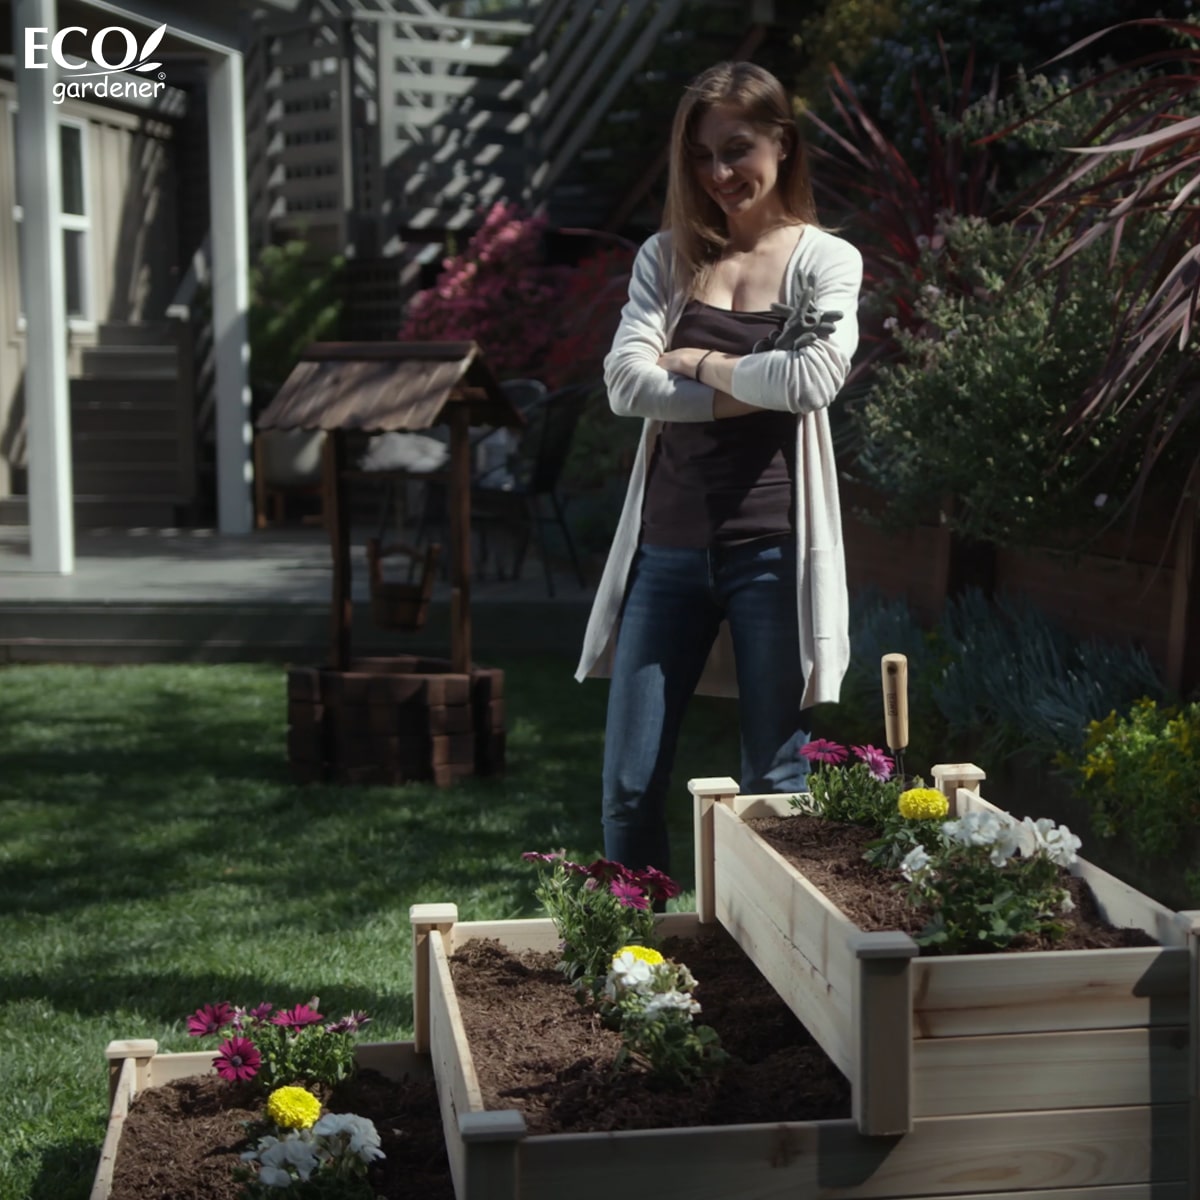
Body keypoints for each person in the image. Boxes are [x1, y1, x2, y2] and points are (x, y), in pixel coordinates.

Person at [573, 61, 863, 875]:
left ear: (783, 142)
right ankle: (639, 972)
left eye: (737, 149)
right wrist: (747, 383)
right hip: (665, 553)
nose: (720, 173)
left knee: (775, 781)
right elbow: (627, 384)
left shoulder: (825, 262)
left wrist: (695, 360)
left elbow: (810, 379)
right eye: (702, 156)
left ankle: (781, 972)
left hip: (772, 549)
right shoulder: (668, 258)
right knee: (628, 789)